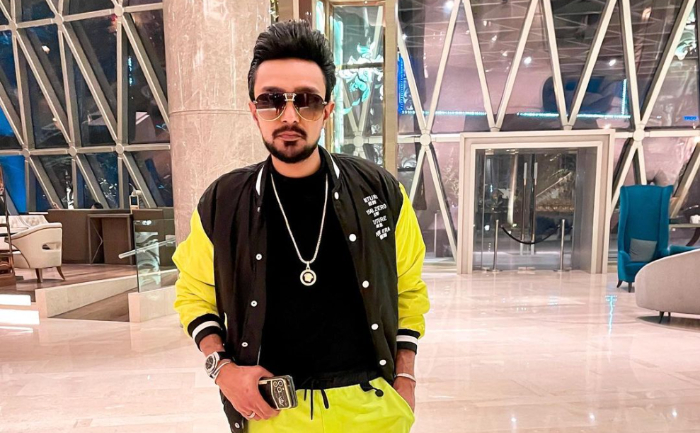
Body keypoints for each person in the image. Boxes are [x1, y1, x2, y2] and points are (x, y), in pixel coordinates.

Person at [173, 20, 429, 433]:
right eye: (272, 100)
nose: (289, 116)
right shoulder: (224, 202)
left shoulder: (380, 192)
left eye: (306, 101)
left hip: (372, 407)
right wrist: (223, 371)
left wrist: (405, 376)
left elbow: (409, 289)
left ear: (327, 110)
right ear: (254, 110)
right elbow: (194, 292)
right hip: (269, 412)